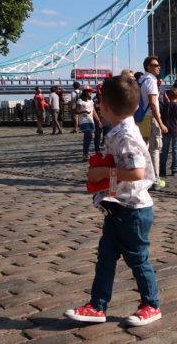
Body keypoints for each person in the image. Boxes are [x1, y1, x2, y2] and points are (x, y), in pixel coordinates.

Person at [64, 74, 161, 326]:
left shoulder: (126, 135)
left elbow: (137, 172)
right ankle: (97, 306)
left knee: (138, 260)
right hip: (117, 207)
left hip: (133, 211)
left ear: (103, 107)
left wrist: (103, 173)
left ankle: (151, 304)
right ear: (136, 106)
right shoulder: (120, 128)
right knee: (105, 258)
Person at [138, 56, 168, 191]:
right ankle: (155, 179)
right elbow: (153, 104)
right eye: (155, 65)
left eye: (158, 64)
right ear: (148, 67)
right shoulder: (151, 81)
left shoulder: (141, 80)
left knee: (142, 149)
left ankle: (141, 177)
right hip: (151, 118)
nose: (159, 67)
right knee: (155, 149)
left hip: (141, 118)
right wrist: (161, 123)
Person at [159, 88, 177, 177]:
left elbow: (161, 118)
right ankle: (175, 169)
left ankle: (162, 169)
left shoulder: (164, 106)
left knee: (164, 150)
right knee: (176, 150)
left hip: (166, 129)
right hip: (176, 130)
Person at [76, 87, 100, 161]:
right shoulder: (80, 101)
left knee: (89, 137)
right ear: (84, 92)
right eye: (88, 91)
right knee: (88, 134)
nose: (90, 93)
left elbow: (94, 111)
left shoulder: (91, 101)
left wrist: (98, 120)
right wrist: (83, 112)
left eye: (91, 91)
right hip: (83, 120)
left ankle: (86, 151)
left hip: (90, 120)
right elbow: (76, 111)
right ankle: (85, 153)